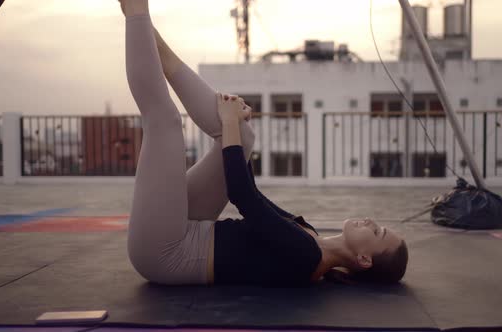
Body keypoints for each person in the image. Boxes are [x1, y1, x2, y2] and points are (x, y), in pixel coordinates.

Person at [121, 0, 408, 287]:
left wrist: (231, 122)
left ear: (364, 260)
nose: (372, 221)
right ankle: (148, 33)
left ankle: (137, 13)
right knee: (244, 138)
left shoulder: (308, 257)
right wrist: (237, 125)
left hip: (165, 252)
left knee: (166, 122)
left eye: (378, 232)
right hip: (189, 230)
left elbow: (243, 198)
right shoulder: (310, 236)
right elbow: (254, 194)